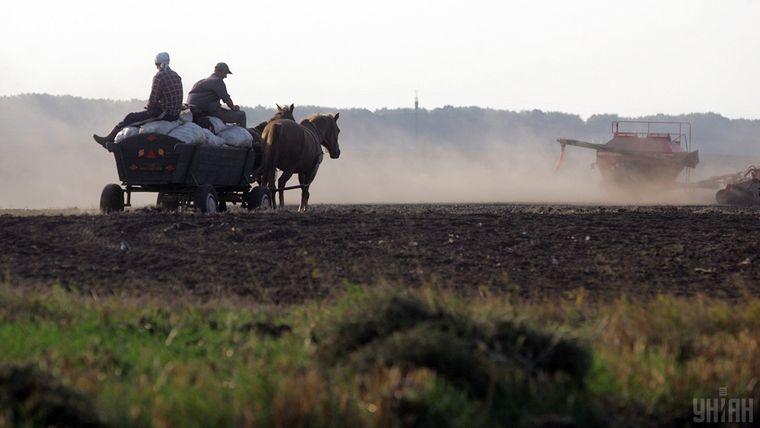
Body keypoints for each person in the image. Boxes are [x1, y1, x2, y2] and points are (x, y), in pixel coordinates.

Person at [93, 52, 183, 146]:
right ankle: (110, 137)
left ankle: (109, 138)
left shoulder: (159, 77)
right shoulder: (176, 75)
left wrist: (149, 108)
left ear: (157, 64)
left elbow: (153, 98)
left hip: (165, 114)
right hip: (175, 113)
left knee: (131, 117)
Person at [187, 62, 246, 127]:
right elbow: (227, 99)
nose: (225, 76)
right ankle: (245, 135)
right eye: (225, 73)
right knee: (241, 115)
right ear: (220, 71)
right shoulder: (217, 81)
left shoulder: (200, 82)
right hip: (208, 111)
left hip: (194, 110)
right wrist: (234, 108)